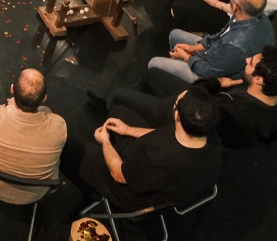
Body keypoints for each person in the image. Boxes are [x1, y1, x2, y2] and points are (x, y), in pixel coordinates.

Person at [63, 87, 221, 213]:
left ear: (178, 117)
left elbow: (119, 174)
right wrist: (127, 130)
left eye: (175, 103)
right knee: (118, 111)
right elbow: (162, 134)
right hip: (144, 163)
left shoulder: (160, 159)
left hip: (129, 189)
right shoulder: (207, 136)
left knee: (69, 149)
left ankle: (90, 191)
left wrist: (105, 142)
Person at [116, 46, 277, 150]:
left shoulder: (231, 110)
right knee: (152, 75)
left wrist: (214, 82)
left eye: (250, 63)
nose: (247, 59)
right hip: (205, 109)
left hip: (186, 113)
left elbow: (192, 98)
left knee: (121, 95)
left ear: (258, 79)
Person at [0, 69, 67, 205]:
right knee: (46, 111)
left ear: (12, 89)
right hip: (33, 194)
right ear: (44, 98)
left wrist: (8, 108)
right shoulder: (59, 126)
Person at [149, 0, 274, 83]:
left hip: (214, 75)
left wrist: (186, 57)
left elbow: (211, 71)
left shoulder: (235, 45)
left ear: (235, 6)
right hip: (219, 56)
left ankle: (177, 84)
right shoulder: (254, 16)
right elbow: (221, 35)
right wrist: (195, 48)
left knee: (153, 63)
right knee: (175, 34)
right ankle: (177, 68)